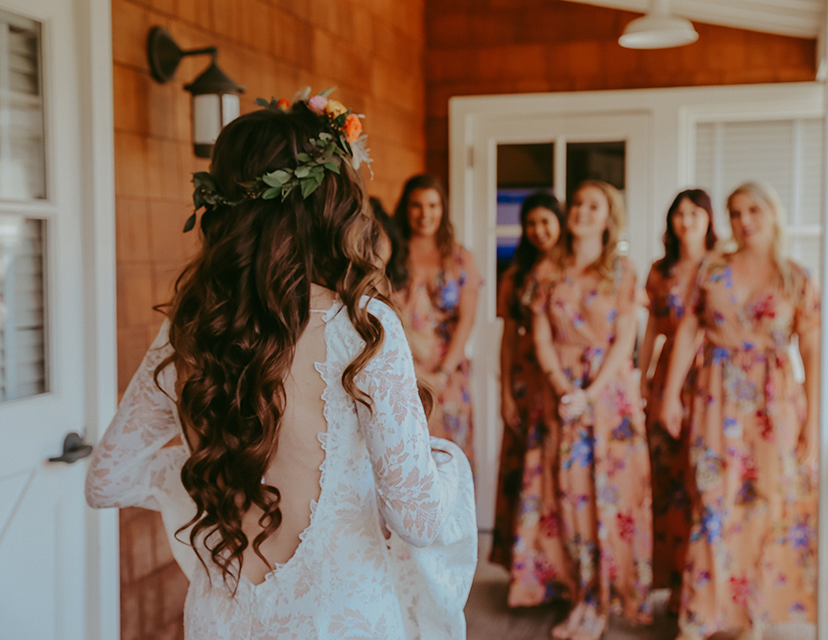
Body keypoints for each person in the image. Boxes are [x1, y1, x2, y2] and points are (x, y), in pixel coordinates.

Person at [85, 91, 477, 640]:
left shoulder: (190, 331)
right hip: (342, 620)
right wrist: (444, 465)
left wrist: (213, 471)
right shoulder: (363, 330)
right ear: (329, 205)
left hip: (223, 621)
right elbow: (421, 521)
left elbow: (107, 479)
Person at [660, 182, 820, 640]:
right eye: (735, 212)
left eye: (753, 210)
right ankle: (699, 616)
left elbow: (811, 348)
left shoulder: (796, 277)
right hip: (714, 396)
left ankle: (749, 618)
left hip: (774, 406)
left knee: (763, 506)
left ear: (773, 214)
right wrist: (671, 395)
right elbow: (688, 330)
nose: (744, 220)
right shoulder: (713, 269)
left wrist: (812, 416)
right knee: (711, 500)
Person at [532, 180, 653, 639]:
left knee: (613, 496)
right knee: (570, 498)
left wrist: (592, 390)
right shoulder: (548, 269)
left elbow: (625, 339)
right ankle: (582, 596)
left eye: (593, 206)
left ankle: (606, 600)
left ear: (608, 217)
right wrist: (565, 388)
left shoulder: (622, 270)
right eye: (578, 203)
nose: (582, 211)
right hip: (562, 393)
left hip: (610, 395)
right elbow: (541, 336)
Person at [637, 189, 717, 612]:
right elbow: (653, 328)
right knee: (667, 480)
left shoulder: (720, 266)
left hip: (710, 377)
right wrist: (645, 378)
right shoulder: (659, 270)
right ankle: (670, 583)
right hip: (668, 375)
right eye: (679, 214)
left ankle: (702, 586)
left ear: (708, 219)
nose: (686, 220)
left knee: (703, 477)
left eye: (694, 212)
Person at [488, 191, 565, 573]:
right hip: (522, 378)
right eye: (531, 223)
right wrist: (504, 393)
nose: (539, 230)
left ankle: (558, 565)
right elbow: (505, 339)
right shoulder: (516, 275)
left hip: (558, 379)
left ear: (560, 223)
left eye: (545, 222)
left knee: (556, 471)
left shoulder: (570, 270)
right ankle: (526, 566)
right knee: (523, 471)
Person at [392, 174, 482, 468]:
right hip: (400, 368)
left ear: (443, 209)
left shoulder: (459, 257)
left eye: (432, 205)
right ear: (406, 208)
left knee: (448, 458)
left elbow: (466, 321)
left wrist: (441, 374)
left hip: (449, 373)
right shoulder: (391, 253)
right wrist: (412, 373)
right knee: (405, 455)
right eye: (417, 205)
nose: (425, 214)